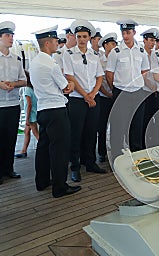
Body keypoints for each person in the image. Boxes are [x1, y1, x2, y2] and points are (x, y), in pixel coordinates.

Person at [30, 25, 81, 198]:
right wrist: (72, 84)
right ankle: (60, 186)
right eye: (55, 41)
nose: (58, 44)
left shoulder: (35, 62)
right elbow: (66, 87)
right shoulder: (50, 64)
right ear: (48, 43)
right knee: (60, 148)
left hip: (43, 109)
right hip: (56, 110)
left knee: (43, 146)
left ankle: (42, 181)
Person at [0, 21, 27, 185]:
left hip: (12, 104)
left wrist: (13, 84)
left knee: (10, 139)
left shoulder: (16, 59)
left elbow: (23, 81)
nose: (11, 38)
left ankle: (9, 169)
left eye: (12, 35)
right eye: (7, 35)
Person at [63, 19, 106, 182]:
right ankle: (75, 166)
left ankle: (90, 162)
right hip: (76, 99)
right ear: (75, 37)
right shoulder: (68, 54)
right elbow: (69, 76)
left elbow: (99, 76)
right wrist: (85, 95)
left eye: (84, 36)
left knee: (91, 131)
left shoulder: (94, 55)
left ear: (89, 38)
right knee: (76, 133)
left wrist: (93, 94)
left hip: (93, 98)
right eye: (79, 36)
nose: (81, 39)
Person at [106, 19, 150, 153]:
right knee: (119, 126)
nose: (125, 36)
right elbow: (109, 74)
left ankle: (136, 154)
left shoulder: (142, 52)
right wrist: (117, 89)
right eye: (123, 33)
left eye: (128, 32)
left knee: (136, 125)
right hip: (121, 92)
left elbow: (145, 72)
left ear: (134, 33)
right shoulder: (116, 52)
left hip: (137, 92)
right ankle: (117, 155)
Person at [97, 32, 117, 163]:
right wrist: (108, 93)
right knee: (102, 125)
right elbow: (99, 81)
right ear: (105, 45)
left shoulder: (118, 57)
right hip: (104, 97)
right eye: (112, 44)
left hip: (116, 95)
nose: (114, 46)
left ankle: (114, 150)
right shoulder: (100, 61)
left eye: (115, 44)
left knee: (115, 126)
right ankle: (102, 152)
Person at [15, 70, 39, 158]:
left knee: (36, 133)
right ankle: (23, 150)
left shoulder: (27, 90)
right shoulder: (33, 89)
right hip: (34, 113)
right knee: (26, 131)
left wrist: (27, 119)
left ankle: (45, 149)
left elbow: (29, 105)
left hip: (31, 116)